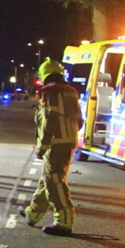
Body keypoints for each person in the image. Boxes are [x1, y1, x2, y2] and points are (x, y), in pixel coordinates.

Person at [21, 58, 84, 236]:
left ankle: (64, 221)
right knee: (49, 178)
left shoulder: (49, 91)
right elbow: (79, 119)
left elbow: (50, 118)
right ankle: (33, 213)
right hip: (70, 139)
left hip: (57, 142)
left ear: (45, 75)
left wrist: (43, 145)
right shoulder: (71, 91)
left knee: (54, 180)